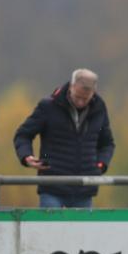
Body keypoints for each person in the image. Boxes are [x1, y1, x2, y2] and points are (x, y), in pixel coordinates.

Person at [13, 69, 115, 208]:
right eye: (77, 96)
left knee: (82, 231)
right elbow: (23, 135)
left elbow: (107, 144)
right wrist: (26, 156)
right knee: (49, 230)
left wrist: (101, 164)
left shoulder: (99, 109)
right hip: (52, 188)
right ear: (71, 86)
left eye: (85, 99)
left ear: (93, 93)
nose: (80, 102)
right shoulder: (48, 106)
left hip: (84, 190)